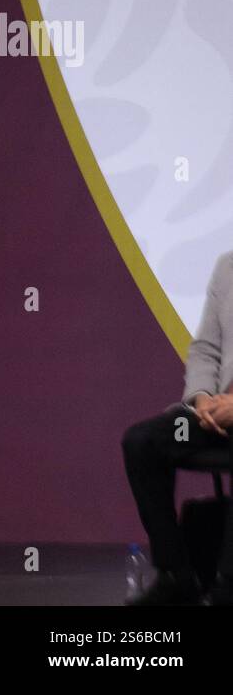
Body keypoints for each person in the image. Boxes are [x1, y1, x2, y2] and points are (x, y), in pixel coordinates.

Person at [122, 249, 233, 604]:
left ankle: (226, 585)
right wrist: (202, 400)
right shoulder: (228, 266)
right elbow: (205, 350)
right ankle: (176, 576)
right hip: (215, 413)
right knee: (142, 442)